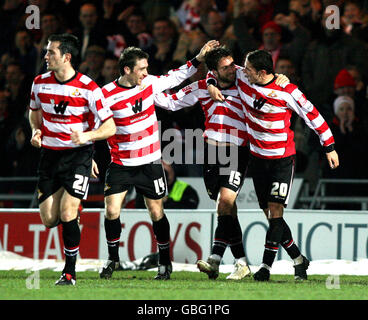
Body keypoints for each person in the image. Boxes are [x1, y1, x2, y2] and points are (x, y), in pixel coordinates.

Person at [154, 46, 289, 281]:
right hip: (211, 153)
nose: (232, 69)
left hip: (238, 151)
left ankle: (217, 258)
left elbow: (267, 80)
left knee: (225, 202)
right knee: (226, 210)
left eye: (233, 64)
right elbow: (171, 102)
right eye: (225, 67)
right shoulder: (201, 88)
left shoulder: (243, 81)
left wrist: (280, 78)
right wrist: (143, 91)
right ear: (214, 71)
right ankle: (241, 263)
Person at [209, 49, 339, 281]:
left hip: (281, 159)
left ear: (261, 73)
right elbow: (220, 73)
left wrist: (329, 146)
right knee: (270, 215)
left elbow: (312, 115)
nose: (242, 71)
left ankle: (265, 268)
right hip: (257, 159)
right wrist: (210, 83)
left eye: (247, 69)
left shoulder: (286, 91)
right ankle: (299, 259)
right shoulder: (243, 77)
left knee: (276, 212)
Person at [99, 40, 219, 280]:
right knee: (111, 211)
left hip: (150, 162)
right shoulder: (105, 95)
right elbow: (98, 127)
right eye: (142, 69)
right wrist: (90, 156)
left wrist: (198, 59)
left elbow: (174, 78)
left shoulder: (150, 84)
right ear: (127, 70)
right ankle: (113, 259)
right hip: (121, 163)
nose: (146, 72)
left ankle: (165, 262)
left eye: (146, 68)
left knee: (156, 211)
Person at [28, 33, 116, 285]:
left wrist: (87, 136)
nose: (46, 56)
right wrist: (36, 130)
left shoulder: (89, 88)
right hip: (49, 156)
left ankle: (69, 273)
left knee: (67, 214)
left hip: (78, 156)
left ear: (66, 57)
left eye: (51, 52)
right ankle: (75, 209)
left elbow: (109, 127)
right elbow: (33, 113)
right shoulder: (39, 83)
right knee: (48, 220)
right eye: (46, 52)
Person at [135, 160, 200, 209]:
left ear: (172, 168)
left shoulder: (186, 189)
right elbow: (139, 208)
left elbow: (190, 208)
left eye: (164, 164)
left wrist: (166, 201)